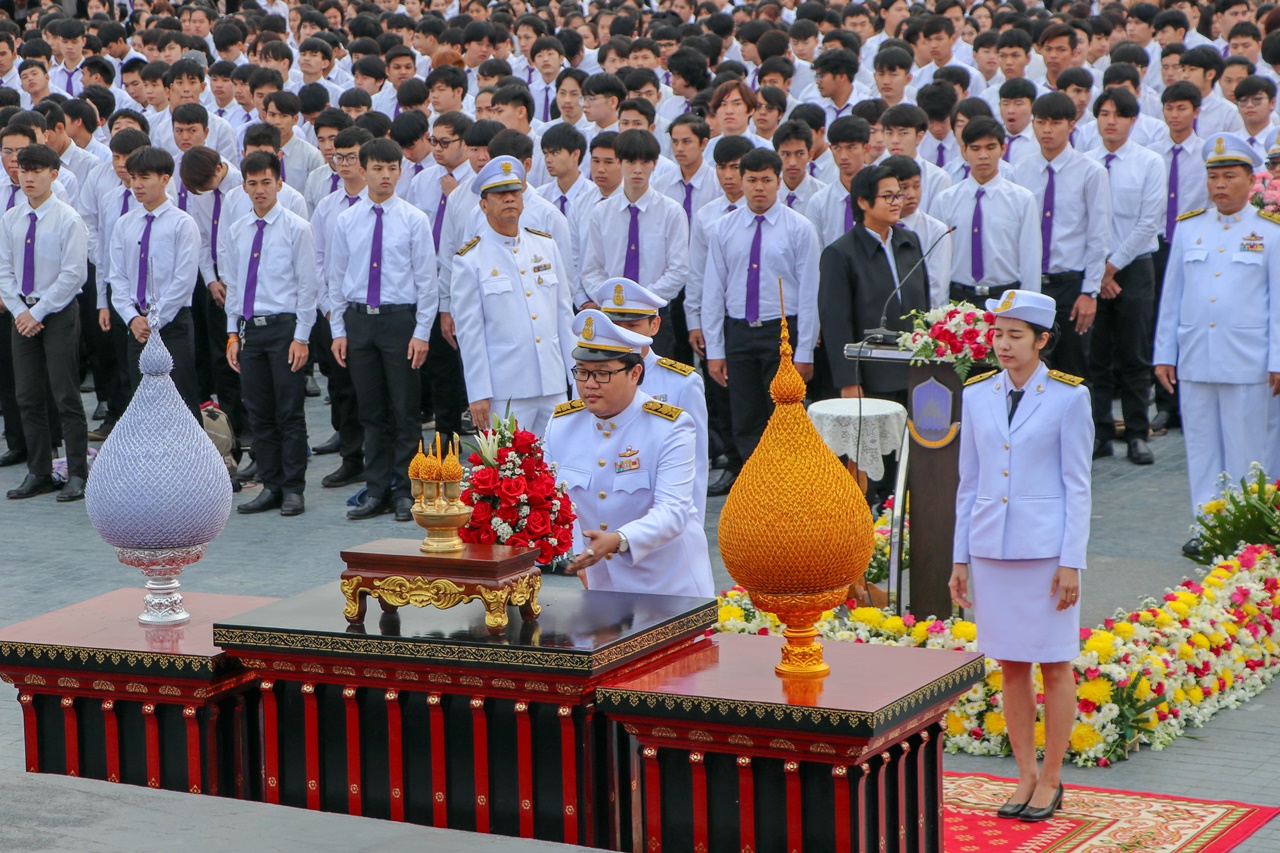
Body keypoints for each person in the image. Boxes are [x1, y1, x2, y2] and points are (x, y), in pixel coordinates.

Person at [949, 289, 1092, 825]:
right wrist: (960, 558)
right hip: (992, 549)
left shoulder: (1069, 397)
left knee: (1054, 663)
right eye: (998, 334)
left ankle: (1052, 777)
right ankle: (1026, 775)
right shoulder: (977, 393)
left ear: (1041, 340)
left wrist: (1071, 561)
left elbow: (1078, 486)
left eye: (1015, 335)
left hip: (1044, 553)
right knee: (1010, 664)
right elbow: (968, 482)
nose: (1003, 344)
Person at [1154, 134, 1280, 556]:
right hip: (1196, 356)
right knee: (1201, 447)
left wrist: (1277, 359)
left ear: (1250, 180)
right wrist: (1164, 354)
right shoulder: (1190, 228)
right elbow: (1171, 296)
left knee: (1247, 450)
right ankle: (1207, 528)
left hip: (1247, 359)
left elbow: (1277, 303)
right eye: (1214, 177)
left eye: (1229, 176)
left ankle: (1246, 531)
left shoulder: (1269, 232)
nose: (1220, 185)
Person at [543, 308, 713, 598]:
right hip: (601, 582)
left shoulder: (669, 426)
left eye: (602, 373)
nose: (589, 384)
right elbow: (549, 497)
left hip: (669, 584)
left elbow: (673, 511)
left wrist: (619, 539)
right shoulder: (562, 424)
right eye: (582, 372)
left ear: (635, 373)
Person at [328, 137, 436, 522]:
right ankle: (376, 490)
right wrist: (338, 330)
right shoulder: (347, 220)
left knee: (405, 411)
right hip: (360, 321)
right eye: (377, 168)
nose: (385, 175)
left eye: (392, 168)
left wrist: (422, 332)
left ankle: (407, 491)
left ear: (400, 172)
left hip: (399, 321)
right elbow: (336, 278)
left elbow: (427, 281)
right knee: (370, 411)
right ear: (363, 170)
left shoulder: (414, 219)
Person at [702, 147, 821, 464]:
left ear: (778, 182)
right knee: (745, 417)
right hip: (739, 332)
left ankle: (787, 481)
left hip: (782, 333)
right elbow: (713, 290)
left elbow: (809, 293)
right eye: (752, 180)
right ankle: (752, 483)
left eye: (766, 180)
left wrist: (805, 352)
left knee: (785, 416)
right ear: (741, 181)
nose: (759, 188)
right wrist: (715, 349)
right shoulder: (723, 228)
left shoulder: (799, 228)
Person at [221, 151, 318, 517]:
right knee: (259, 412)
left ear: (279, 183)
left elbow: (308, 286)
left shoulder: (297, 228)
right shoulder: (238, 230)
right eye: (252, 183)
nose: (259, 190)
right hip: (250, 330)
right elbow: (234, 285)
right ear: (244, 186)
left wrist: (302, 337)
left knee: (289, 411)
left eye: (266, 182)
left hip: (285, 329)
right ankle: (271, 485)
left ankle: (293, 488)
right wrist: (232, 334)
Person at [450, 155, 574, 438]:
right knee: (509, 463)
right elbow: (471, 333)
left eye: (514, 192)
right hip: (506, 390)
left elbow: (564, 317)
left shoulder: (545, 246)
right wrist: (479, 392)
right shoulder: (470, 259)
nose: (509, 199)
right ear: (483, 205)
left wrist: (576, 378)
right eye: (499, 194)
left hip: (552, 382)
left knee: (559, 459)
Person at [0, 143, 89, 501]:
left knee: (65, 394)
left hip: (57, 313)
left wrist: (37, 313)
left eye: (37, 171)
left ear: (53, 175)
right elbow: (4, 270)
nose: (29, 177)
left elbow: (74, 274)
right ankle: (39, 471)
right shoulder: (11, 218)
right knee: (27, 396)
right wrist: (20, 310)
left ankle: (77, 473)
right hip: (22, 314)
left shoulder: (68, 219)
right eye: (24, 170)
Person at [1086, 88, 1164, 465]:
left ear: (1133, 120)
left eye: (1118, 114)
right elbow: (1080, 219)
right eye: (1104, 114)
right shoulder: (1086, 162)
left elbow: (1149, 222)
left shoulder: (1149, 162)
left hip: (1133, 267)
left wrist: (1112, 266)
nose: (1110, 121)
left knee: (1134, 353)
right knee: (1096, 355)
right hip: (1093, 266)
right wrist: (1099, 269)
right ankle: (1101, 433)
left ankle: (1136, 433)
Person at [593, 277, 709, 522]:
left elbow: (695, 464)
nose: (622, 333)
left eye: (632, 325)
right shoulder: (588, 379)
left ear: (654, 325)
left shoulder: (681, 382)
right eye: (614, 325)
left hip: (659, 512)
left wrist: (692, 525)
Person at [1013, 93, 1109, 383]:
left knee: (1072, 370)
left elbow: (1098, 235)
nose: (1047, 130)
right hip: (1030, 283)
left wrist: (1090, 291)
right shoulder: (1021, 169)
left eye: (1055, 123)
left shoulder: (1091, 172)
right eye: (1040, 122)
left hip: (1070, 284)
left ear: (1071, 125)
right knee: (1028, 368)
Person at [818, 164, 930, 403]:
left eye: (898, 195)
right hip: (873, 377)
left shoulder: (910, 242)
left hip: (917, 371)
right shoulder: (840, 254)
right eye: (887, 196)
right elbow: (836, 324)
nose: (896, 202)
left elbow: (924, 304)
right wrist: (849, 381)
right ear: (862, 201)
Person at [108, 145, 203, 422]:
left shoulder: (182, 223)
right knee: (142, 405)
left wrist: (155, 320)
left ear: (164, 179)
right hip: (137, 326)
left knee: (182, 402)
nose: (136, 184)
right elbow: (118, 277)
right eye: (133, 177)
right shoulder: (124, 224)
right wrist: (131, 318)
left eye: (144, 177)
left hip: (171, 325)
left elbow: (184, 281)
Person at [929, 118, 1040, 303]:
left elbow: (1031, 259)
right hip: (958, 297)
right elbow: (938, 261)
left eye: (990, 148)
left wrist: (1027, 307)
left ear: (1003, 149)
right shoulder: (945, 200)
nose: (983, 155)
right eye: (975, 148)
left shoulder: (1022, 200)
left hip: (1005, 296)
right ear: (964, 150)